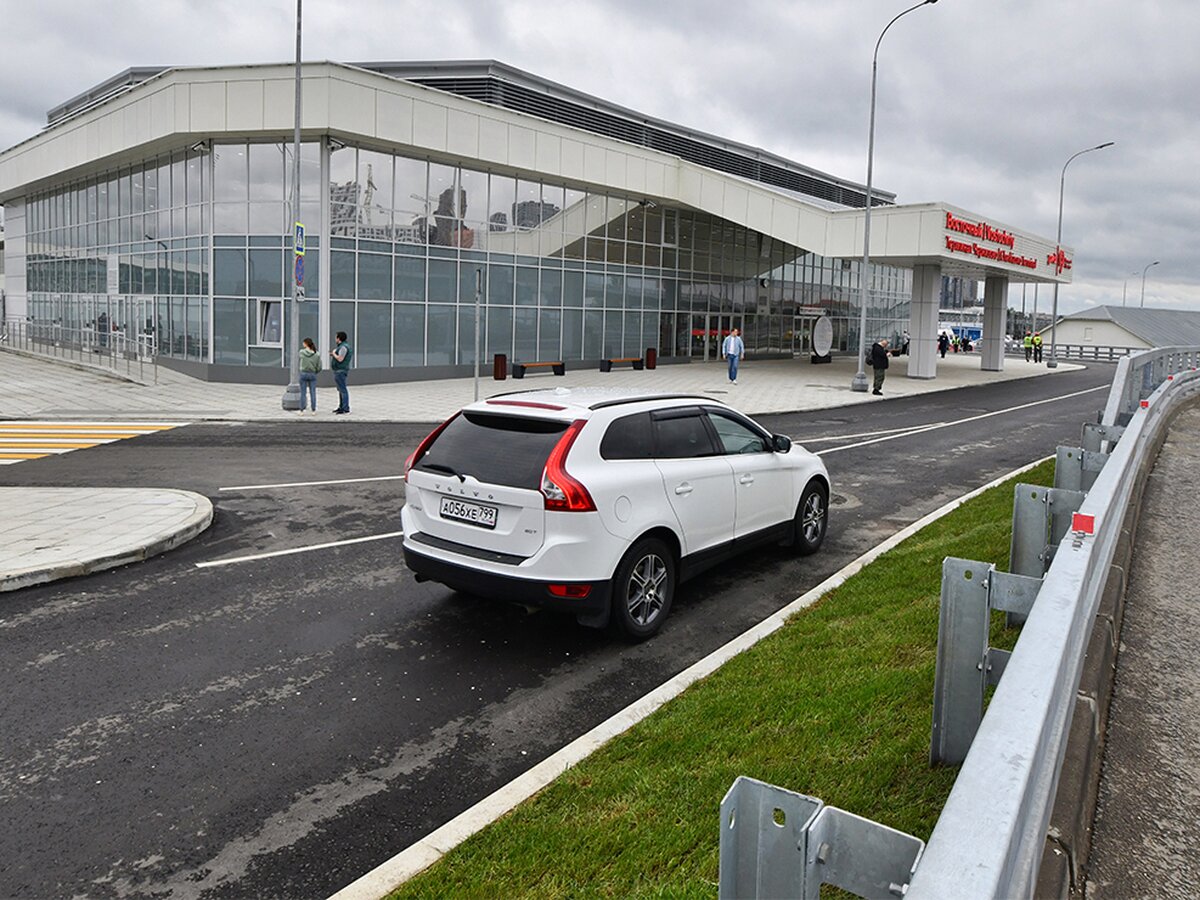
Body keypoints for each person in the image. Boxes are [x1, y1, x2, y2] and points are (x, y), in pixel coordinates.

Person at [330, 331, 353, 414]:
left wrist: (333, 353)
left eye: (336, 337)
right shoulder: (343, 347)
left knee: (342, 390)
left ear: (339, 338)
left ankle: (345, 408)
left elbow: (340, 359)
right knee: (340, 389)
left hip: (340, 370)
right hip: (340, 370)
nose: (335, 339)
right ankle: (341, 406)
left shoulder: (343, 347)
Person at [298, 337, 320, 414]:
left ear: (306, 344)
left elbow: (300, 359)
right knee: (313, 392)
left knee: (303, 393)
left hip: (303, 373)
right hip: (312, 373)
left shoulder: (301, 352)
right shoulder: (317, 354)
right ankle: (313, 410)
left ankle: (301, 410)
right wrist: (316, 371)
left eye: (303, 342)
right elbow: (319, 366)